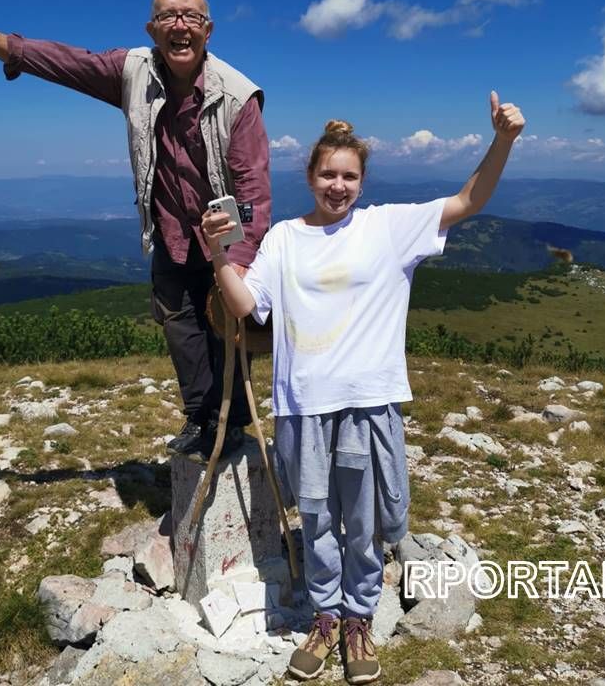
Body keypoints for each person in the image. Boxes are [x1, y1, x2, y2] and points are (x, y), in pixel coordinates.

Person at [201, 94, 525, 684]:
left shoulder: (389, 226)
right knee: (319, 520)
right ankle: (327, 615)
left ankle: (359, 617)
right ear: (309, 176)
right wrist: (218, 255)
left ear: (363, 179)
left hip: (369, 402)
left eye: (349, 176)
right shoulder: (282, 240)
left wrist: (502, 140)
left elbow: (468, 200)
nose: (339, 185)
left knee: (367, 520)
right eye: (328, 174)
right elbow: (248, 306)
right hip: (303, 404)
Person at [0, 0, 270, 460]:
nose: (180, 26)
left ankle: (231, 422)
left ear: (208, 30)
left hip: (222, 239)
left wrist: (240, 264)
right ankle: (199, 416)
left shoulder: (238, 97)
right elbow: (65, 62)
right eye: (168, 16)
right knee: (179, 323)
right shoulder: (132, 71)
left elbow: (253, 192)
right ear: (151, 29)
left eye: (190, 17)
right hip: (170, 230)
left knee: (224, 328)